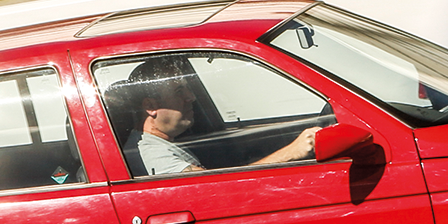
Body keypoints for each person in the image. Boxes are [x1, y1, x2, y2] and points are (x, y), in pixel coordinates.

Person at [123, 56, 320, 175]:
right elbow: (214, 188)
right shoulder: (154, 156)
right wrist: (292, 152)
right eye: (178, 92)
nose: (191, 97)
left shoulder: (159, 143)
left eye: (188, 90)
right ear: (150, 106)